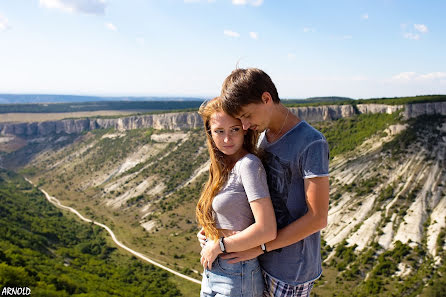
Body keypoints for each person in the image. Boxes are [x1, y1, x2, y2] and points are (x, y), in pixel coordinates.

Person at [198, 68, 330, 297]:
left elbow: (318, 218)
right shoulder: (263, 136)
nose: (246, 126)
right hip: (258, 261)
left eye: (247, 116)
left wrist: (260, 246)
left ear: (266, 99)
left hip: (290, 270)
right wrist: (220, 232)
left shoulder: (311, 142)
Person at [196, 97, 277, 297]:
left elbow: (267, 229)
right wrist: (210, 233)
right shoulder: (220, 167)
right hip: (211, 271)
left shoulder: (248, 165)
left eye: (234, 129)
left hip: (237, 273)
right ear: (210, 134)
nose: (227, 139)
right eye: (219, 131)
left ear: (244, 130)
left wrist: (220, 244)